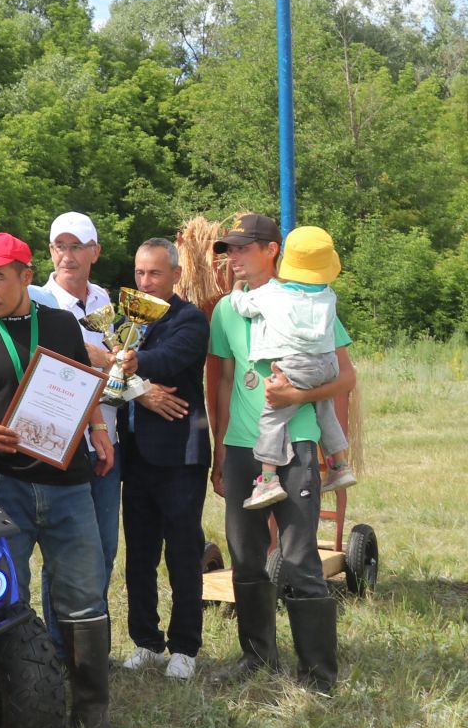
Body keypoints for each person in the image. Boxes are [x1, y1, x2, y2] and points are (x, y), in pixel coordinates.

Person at [0, 232, 118, 728]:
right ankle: (13, 706)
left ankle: (92, 715)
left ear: (25, 274)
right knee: (7, 601)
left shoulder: (62, 324)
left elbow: (79, 386)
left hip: (68, 484)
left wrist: (99, 431)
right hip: (1, 486)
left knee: (84, 598)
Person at [209, 213, 356, 694]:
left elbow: (345, 379)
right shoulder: (227, 310)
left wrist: (298, 399)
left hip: (295, 448)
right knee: (246, 557)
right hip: (241, 450)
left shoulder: (314, 304)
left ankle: (318, 674)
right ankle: (257, 659)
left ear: (273, 249)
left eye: (242, 248)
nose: (232, 258)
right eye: (227, 250)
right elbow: (226, 381)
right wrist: (220, 452)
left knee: (297, 558)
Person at [113, 238, 211, 681]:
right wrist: (126, 371)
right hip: (135, 456)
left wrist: (131, 362)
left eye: (154, 273)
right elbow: (108, 378)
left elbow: (170, 360)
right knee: (140, 554)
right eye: (139, 273)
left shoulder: (190, 319)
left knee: (183, 553)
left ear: (175, 275)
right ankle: (147, 642)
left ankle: (185, 647)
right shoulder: (126, 319)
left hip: (180, 457)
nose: (145, 282)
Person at [231, 225, 356, 506]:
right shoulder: (327, 295)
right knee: (325, 411)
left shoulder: (272, 294)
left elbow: (243, 307)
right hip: (327, 365)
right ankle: (339, 465)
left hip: (296, 365)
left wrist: (237, 288)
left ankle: (268, 480)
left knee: (273, 419)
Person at [40, 212, 122, 636]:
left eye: (76, 247)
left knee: (104, 547)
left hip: (107, 436)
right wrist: (98, 358)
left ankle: (92, 641)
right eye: (59, 247)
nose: (66, 256)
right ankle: (59, 644)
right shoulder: (39, 301)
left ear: (95, 252)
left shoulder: (104, 300)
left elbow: (116, 362)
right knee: (63, 551)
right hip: (61, 440)